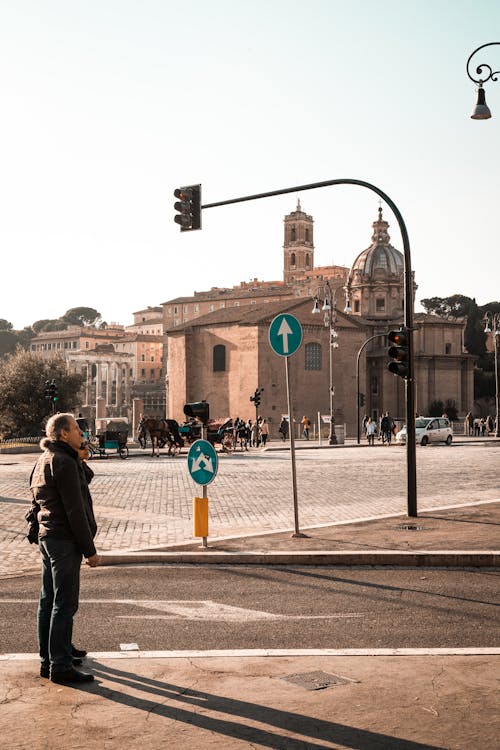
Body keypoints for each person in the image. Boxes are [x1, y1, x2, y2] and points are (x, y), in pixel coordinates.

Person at [30, 413, 100, 684]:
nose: (81, 433)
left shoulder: (45, 459)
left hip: (49, 538)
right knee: (65, 603)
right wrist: (89, 550)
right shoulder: (63, 462)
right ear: (62, 434)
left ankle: (49, 658)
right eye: (75, 429)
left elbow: (86, 480)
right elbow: (76, 510)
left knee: (48, 600)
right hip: (65, 539)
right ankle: (59, 665)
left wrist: (81, 459)